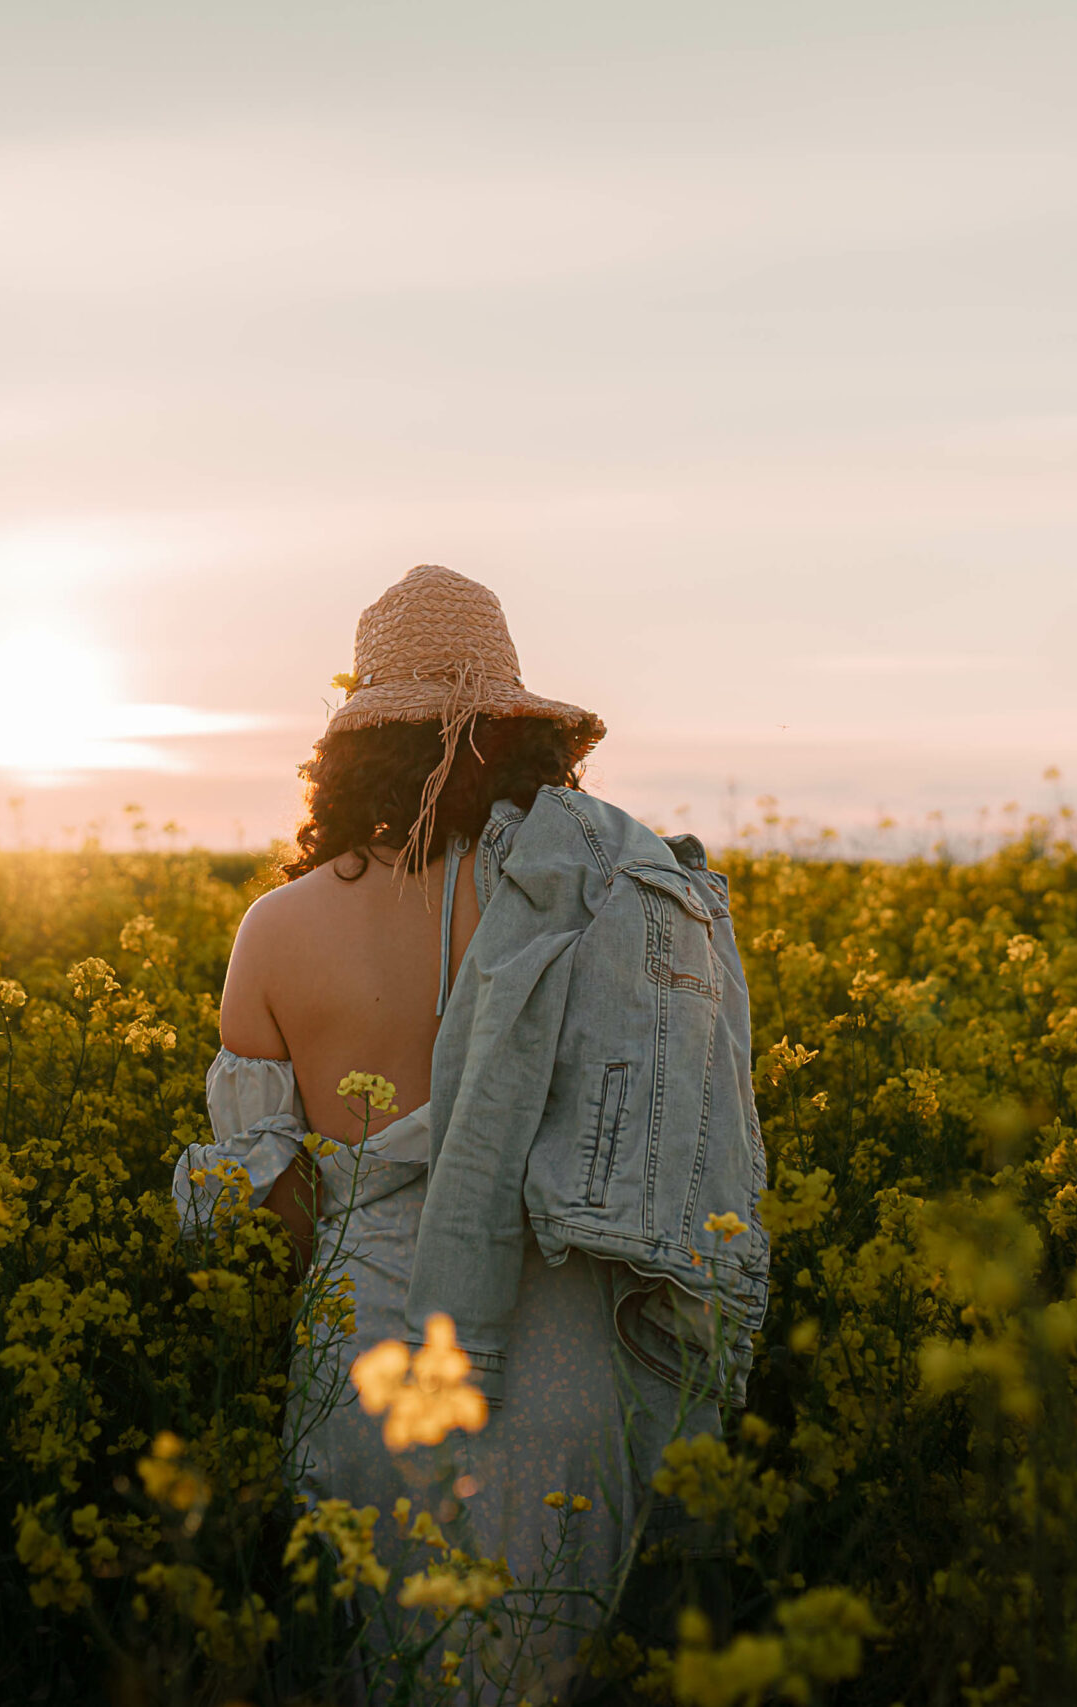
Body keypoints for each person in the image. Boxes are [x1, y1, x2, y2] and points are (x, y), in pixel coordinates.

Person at [173, 565, 768, 1700]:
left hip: (374, 1354)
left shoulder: (276, 928)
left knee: (379, 1662)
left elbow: (274, 1200)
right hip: (568, 1346)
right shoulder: (597, 893)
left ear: (349, 750)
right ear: (517, 739)